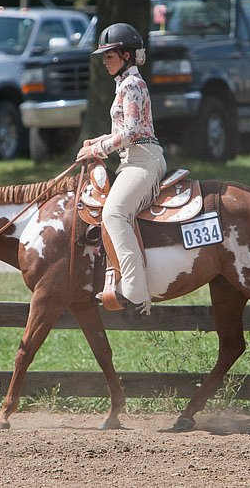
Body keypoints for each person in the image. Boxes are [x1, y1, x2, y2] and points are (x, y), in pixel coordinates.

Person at [76, 22, 167, 314]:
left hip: (143, 161)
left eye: (110, 55)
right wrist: (100, 139)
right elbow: (128, 130)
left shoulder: (133, 85)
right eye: (103, 56)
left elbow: (131, 131)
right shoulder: (124, 84)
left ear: (127, 55)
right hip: (132, 159)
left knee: (113, 213)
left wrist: (97, 148)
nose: (104, 60)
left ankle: (135, 290)